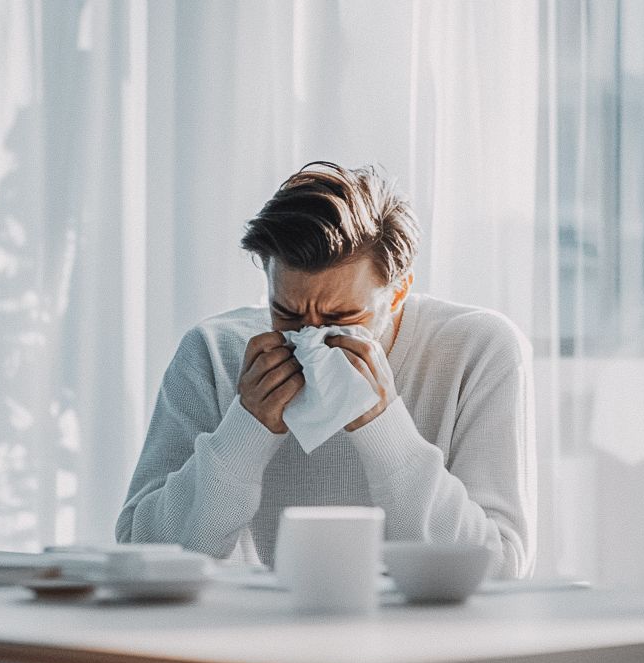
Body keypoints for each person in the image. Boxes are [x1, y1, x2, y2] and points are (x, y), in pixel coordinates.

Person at [115, 162, 536, 578]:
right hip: (250, 639)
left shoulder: (478, 349)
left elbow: (498, 568)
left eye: (341, 316)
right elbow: (143, 552)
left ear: (398, 291)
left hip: (424, 643)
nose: (311, 337)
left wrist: (385, 428)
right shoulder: (213, 351)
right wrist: (244, 430)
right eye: (287, 313)